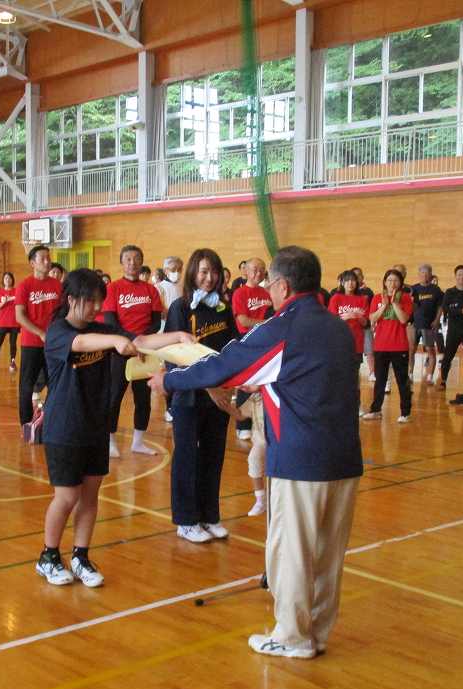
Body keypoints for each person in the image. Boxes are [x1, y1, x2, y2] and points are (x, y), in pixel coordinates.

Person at [150, 245, 363, 659]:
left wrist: (170, 380)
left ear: (282, 285)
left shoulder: (281, 326)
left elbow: (224, 365)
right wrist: (264, 381)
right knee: (327, 556)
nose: (267, 290)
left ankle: (291, 638)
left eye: (270, 283)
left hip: (302, 461)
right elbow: (304, 377)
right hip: (345, 459)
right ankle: (314, 633)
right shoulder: (337, 327)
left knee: (293, 552)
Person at [36, 268, 192, 587]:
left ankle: (81, 555)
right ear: (71, 300)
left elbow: (143, 340)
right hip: (64, 427)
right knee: (66, 496)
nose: (95, 307)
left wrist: (176, 336)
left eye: (98, 301)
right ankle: (48, 555)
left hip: (94, 425)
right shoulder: (57, 332)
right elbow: (81, 342)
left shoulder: (102, 329)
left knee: (91, 496)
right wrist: (116, 340)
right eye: (89, 301)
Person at [163, 248, 238, 543]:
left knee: (213, 455)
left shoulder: (222, 308)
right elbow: (176, 355)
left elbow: (233, 349)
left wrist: (230, 385)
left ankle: (209, 515)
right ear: (193, 273)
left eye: (214, 272)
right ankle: (185, 519)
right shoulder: (180, 308)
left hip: (218, 395)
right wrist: (209, 386)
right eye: (204, 271)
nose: (209, 278)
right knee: (186, 456)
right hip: (189, 395)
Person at [103, 245, 163, 458]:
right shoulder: (113, 289)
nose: (132, 262)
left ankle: (138, 442)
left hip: (145, 352)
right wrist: (131, 342)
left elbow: (156, 322)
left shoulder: (151, 290)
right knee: (114, 397)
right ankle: (109, 442)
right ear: (122, 262)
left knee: (143, 398)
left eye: (137, 258)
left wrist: (142, 343)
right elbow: (110, 321)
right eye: (128, 259)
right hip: (120, 352)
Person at [15, 245, 62, 427]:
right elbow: (20, 316)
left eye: (48, 258)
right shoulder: (25, 286)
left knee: (56, 384)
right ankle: (26, 424)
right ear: (32, 263)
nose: (47, 261)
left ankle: (49, 420)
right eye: (42, 258)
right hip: (31, 344)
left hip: (53, 344)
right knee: (27, 386)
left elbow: (62, 313)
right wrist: (40, 332)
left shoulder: (57, 285)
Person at [362, 269, 413, 423]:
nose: (392, 283)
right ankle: (376, 410)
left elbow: (404, 319)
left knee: (402, 381)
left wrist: (394, 303)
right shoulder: (377, 297)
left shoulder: (405, 298)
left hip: (399, 346)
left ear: (400, 283)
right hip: (381, 346)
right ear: (385, 282)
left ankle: (405, 413)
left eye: (396, 280)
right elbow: (372, 318)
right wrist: (383, 306)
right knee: (380, 381)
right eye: (389, 280)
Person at [231, 257, 272, 441]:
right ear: (245, 271)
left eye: (262, 270)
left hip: (266, 342)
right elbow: (243, 321)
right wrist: (266, 323)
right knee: (246, 383)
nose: (258, 273)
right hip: (247, 341)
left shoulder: (268, 293)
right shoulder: (240, 293)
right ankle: (242, 424)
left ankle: (261, 422)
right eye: (254, 269)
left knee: (264, 383)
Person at [439, 265, 463, 391]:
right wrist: (461, 311)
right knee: (448, 356)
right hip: (454, 330)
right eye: (459, 274)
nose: (461, 276)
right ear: (455, 276)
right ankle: (443, 381)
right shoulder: (449, 293)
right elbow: (446, 309)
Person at [409, 264, 443, 385]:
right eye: (422, 273)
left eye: (427, 273)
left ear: (430, 275)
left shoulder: (436, 290)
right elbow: (409, 306)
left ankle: (429, 376)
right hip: (414, 324)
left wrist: (437, 320)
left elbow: (440, 306)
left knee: (430, 350)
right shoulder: (414, 289)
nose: (424, 275)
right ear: (419, 275)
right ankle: (410, 375)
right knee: (411, 349)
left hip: (429, 325)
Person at [0, 272, 19, 373]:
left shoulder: (16, 291)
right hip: (2, 322)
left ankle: (12, 362)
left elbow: (20, 302)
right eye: (6, 278)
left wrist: (12, 298)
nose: (7, 280)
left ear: (12, 280)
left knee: (13, 343)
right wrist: (4, 302)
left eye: (9, 278)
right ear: (3, 280)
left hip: (14, 322)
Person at [352, 267, 376, 380]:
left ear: (362, 277)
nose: (356, 278)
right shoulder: (348, 292)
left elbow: (372, 309)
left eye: (358, 275)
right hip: (351, 327)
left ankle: (372, 372)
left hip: (365, 326)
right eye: (354, 276)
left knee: (369, 350)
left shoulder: (368, 292)